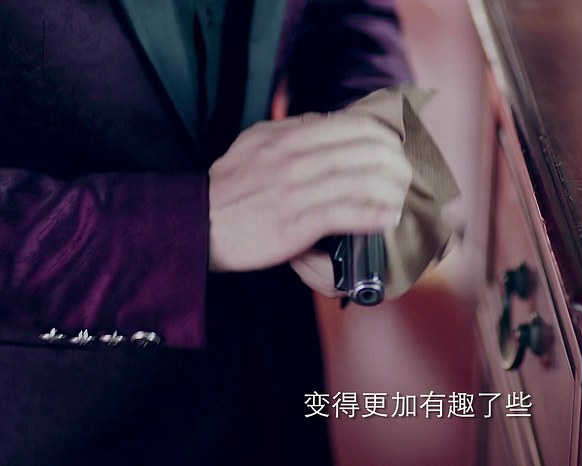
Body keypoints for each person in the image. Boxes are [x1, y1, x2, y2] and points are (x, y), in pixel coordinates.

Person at [0, 0, 413, 464]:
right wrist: (190, 224)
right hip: (60, 418)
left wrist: (361, 142)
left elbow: (345, 16)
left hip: (272, 380)